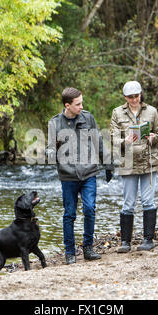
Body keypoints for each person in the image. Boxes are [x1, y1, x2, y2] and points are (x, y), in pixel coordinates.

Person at [46, 87, 114, 265]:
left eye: (82, 103)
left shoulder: (88, 118)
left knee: (90, 209)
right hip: (68, 176)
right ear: (67, 105)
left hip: (89, 172)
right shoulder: (54, 123)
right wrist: (50, 152)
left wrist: (108, 164)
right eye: (78, 104)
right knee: (69, 214)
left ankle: (88, 248)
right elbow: (50, 147)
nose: (81, 107)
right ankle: (69, 253)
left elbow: (98, 141)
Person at [110, 80, 158, 253]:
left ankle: (148, 239)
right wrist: (124, 141)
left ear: (141, 94)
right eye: (130, 97)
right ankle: (125, 242)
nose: (134, 100)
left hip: (149, 162)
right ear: (125, 97)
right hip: (128, 163)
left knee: (148, 201)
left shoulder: (152, 111)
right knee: (128, 203)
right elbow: (112, 138)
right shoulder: (117, 113)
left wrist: (153, 137)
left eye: (136, 96)